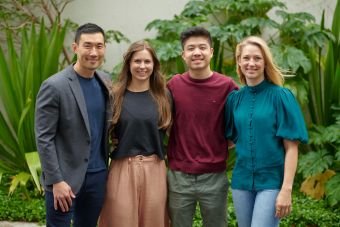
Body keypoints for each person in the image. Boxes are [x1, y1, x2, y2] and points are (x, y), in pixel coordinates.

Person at [225, 36, 308, 227]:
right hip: (241, 182)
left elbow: (292, 148)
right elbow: (230, 141)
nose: (251, 63)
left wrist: (286, 189)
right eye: (246, 58)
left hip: (272, 182)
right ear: (239, 61)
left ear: (265, 62)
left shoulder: (281, 96)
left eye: (257, 58)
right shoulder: (234, 100)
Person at [35, 23, 111, 227]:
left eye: (99, 46)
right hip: (64, 181)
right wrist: (56, 181)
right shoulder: (54, 86)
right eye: (87, 45)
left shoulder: (106, 81)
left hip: (97, 176)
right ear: (75, 47)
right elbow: (44, 138)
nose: (94, 52)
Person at [167, 26, 239, 227]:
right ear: (183, 55)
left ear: (211, 52)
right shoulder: (174, 85)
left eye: (202, 47)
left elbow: (239, 124)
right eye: (190, 48)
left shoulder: (227, 86)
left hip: (215, 175)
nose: (196, 52)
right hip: (179, 175)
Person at [99, 40, 172, 227]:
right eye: (137, 61)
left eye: (147, 62)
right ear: (129, 64)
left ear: (154, 65)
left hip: (154, 168)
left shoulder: (164, 96)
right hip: (122, 168)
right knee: (119, 221)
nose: (142, 66)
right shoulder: (115, 96)